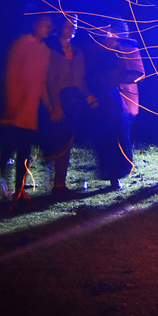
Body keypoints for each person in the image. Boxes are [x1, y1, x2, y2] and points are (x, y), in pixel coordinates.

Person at [0, 11, 53, 204]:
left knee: (24, 150)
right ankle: (3, 182)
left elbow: (42, 83)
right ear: (35, 25)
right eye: (45, 24)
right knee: (9, 146)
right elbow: (11, 74)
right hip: (15, 107)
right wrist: (11, 103)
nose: (49, 28)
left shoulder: (45, 51)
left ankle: (20, 189)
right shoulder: (21, 44)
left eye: (49, 25)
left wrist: (49, 105)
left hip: (30, 110)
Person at [41, 13, 97, 199]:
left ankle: (59, 185)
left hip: (74, 101)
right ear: (60, 25)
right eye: (69, 24)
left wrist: (88, 96)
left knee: (67, 142)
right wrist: (55, 104)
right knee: (55, 141)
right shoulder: (51, 48)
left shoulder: (77, 51)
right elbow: (50, 79)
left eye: (75, 24)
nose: (72, 28)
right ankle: (51, 184)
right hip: (59, 100)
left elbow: (80, 79)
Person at [85, 20, 144, 190]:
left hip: (124, 96)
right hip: (107, 98)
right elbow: (93, 71)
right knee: (110, 136)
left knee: (124, 134)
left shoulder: (127, 46)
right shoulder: (101, 48)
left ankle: (122, 169)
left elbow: (136, 70)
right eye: (114, 30)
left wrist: (118, 80)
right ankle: (113, 174)